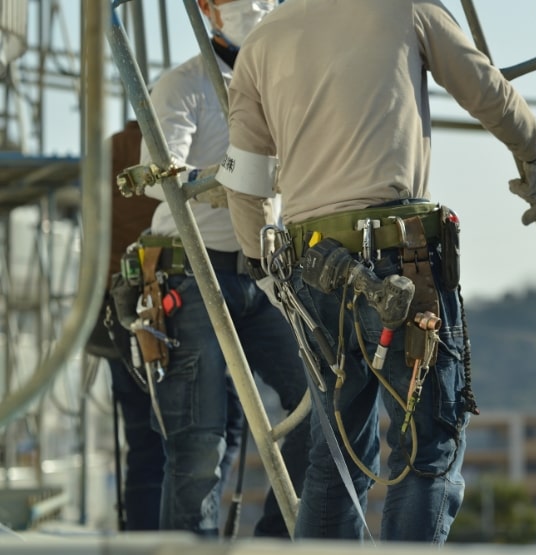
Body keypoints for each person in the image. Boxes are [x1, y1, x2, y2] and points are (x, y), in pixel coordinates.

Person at [216, 0, 536, 544]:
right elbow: (487, 93)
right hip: (404, 261)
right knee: (428, 452)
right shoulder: (406, 7)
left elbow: (247, 182)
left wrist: (268, 278)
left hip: (314, 268)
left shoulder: (263, 40)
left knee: (335, 462)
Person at [139, 0, 309, 537]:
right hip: (194, 273)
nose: (257, 8)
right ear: (209, 9)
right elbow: (154, 176)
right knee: (201, 446)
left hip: (266, 269)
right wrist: (224, 183)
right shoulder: (183, 85)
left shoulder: (288, 84)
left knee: (318, 405)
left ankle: (278, 545)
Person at [84, 120, 163, 531]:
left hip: (115, 307)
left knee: (142, 442)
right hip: (160, 306)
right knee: (194, 437)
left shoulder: (109, 150)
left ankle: (141, 536)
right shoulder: (164, 153)